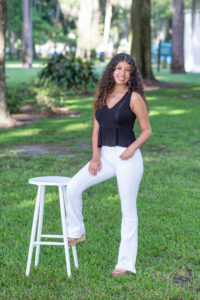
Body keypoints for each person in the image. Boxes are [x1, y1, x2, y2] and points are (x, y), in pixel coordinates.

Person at [66, 53, 152, 276]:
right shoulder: (102, 96)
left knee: (128, 211)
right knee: (73, 186)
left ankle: (125, 264)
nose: (121, 73)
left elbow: (147, 130)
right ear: (111, 70)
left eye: (126, 70)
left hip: (128, 158)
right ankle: (77, 230)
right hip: (104, 157)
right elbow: (97, 129)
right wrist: (95, 156)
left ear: (131, 74)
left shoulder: (134, 98)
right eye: (118, 68)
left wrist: (132, 149)